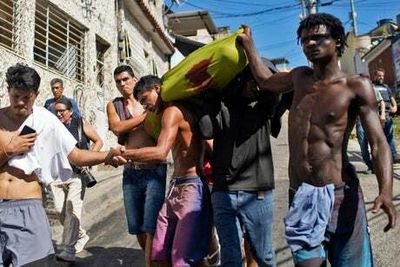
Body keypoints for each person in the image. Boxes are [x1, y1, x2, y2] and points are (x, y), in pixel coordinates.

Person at [238, 13, 396, 267]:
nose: (310, 44)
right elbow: (265, 80)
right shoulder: (298, 77)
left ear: (338, 42)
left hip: (340, 196)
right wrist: (249, 45)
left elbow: (378, 143)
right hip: (301, 194)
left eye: (318, 37)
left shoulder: (356, 86)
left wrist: (385, 191)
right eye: (305, 40)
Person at [0, 63, 123, 266]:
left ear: (36, 94)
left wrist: (106, 156)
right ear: (8, 91)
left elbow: (75, 155)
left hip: (27, 206)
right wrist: (9, 150)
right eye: (15, 96)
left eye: (27, 97)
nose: (21, 103)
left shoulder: (46, 121)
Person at [120, 74, 212, 266]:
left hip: (191, 187)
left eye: (145, 100)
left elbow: (161, 153)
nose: (146, 107)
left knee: (181, 258)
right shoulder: (165, 114)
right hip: (176, 187)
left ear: (157, 89)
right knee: (159, 254)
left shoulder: (173, 111)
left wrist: (126, 154)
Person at [198, 64, 280, 267]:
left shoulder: (263, 106)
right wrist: (206, 97)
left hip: (257, 193)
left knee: (264, 255)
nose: (255, 84)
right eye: (250, 80)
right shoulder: (221, 106)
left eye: (257, 80)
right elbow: (206, 131)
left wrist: (258, 70)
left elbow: (273, 90)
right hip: (223, 193)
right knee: (231, 257)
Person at [106, 65, 166, 267]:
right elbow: (117, 127)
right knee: (137, 227)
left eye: (125, 79)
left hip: (154, 169)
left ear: (134, 78)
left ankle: (152, 263)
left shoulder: (148, 100)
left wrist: (146, 112)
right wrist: (145, 116)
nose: (122, 84)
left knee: (151, 225)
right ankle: (150, 258)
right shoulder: (115, 106)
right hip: (131, 171)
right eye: (118, 81)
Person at [50, 98, 103, 262]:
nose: (59, 114)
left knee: (71, 211)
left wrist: (88, 160)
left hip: (77, 175)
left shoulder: (80, 123)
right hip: (57, 175)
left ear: (70, 111)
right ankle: (80, 235)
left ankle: (68, 249)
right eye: (56, 111)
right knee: (60, 211)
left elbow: (98, 141)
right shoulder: (52, 126)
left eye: (62, 111)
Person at [356, 81, 385, 172]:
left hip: (373, 118)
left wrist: (382, 114)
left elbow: (381, 102)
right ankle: (369, 164)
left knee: (375, 142)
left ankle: (377, 164)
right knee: (362, 142)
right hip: (360, 120)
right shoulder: (355, 91)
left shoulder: (373, 90)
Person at [372, 68, 400, 163]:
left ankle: (394, 157)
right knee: (379, 138)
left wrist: (395, 106)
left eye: (382, 76)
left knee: (390, 136)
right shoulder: (371, 86)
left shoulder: (386, 87)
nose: (381, 77)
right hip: (376, 115)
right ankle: (382, 159)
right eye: (379, 75)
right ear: (375, 75)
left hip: (387, 115)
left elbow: (392, 99)